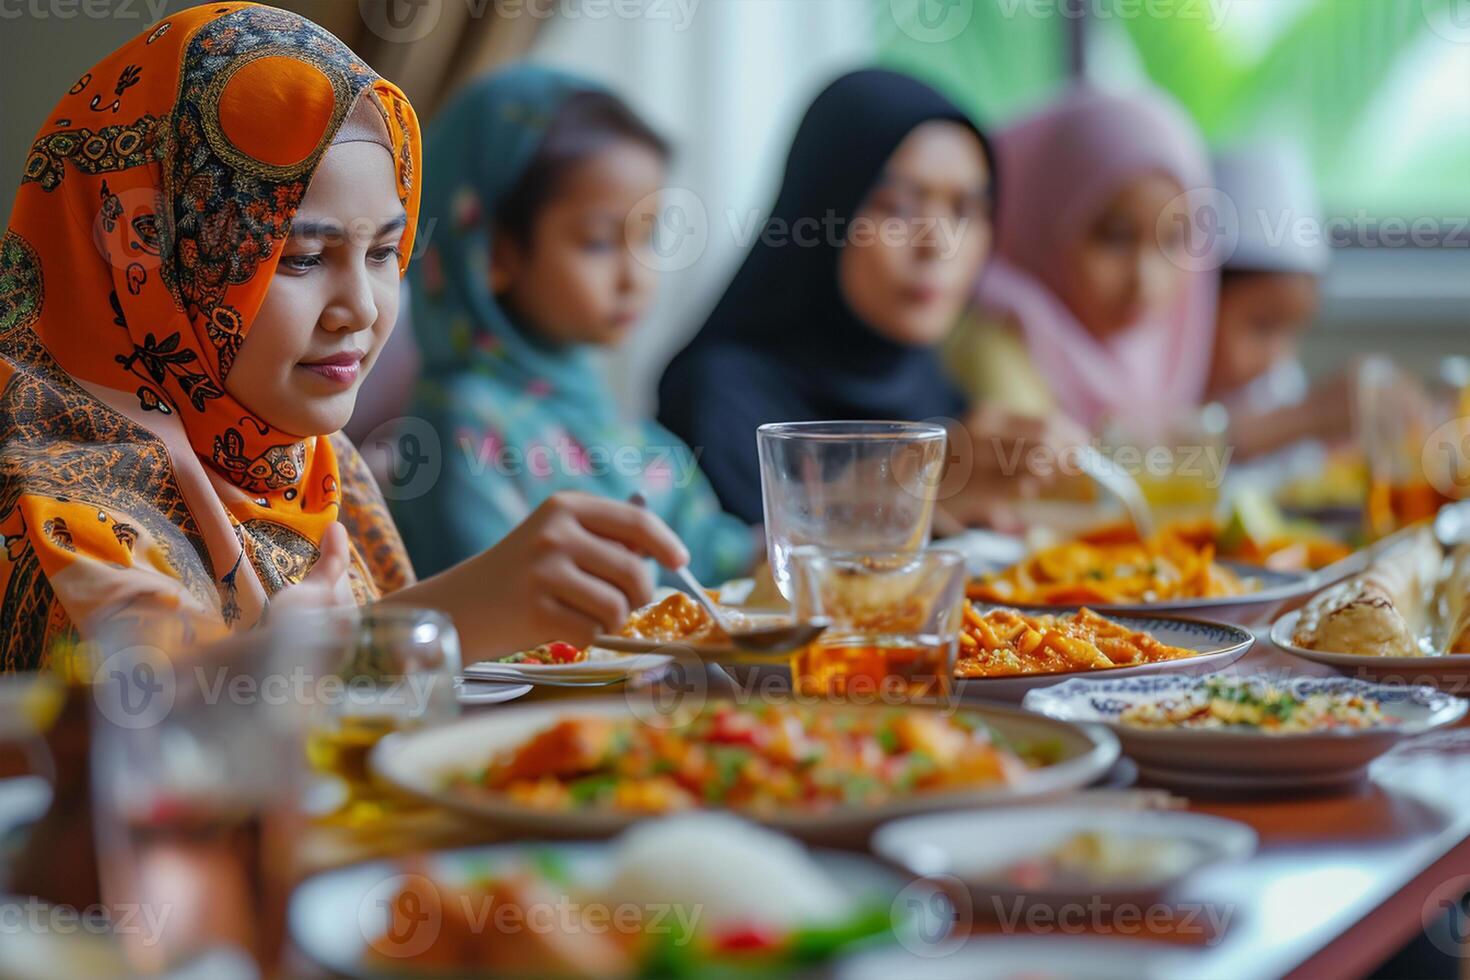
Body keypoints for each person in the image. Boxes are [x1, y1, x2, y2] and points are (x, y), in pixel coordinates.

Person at [0, 4, 686, 672]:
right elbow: (134, 738)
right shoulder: (53, 507)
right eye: (299, 257)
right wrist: (436, 620)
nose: (359, 308)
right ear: (148, 253)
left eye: (385, 252)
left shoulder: (316, 463)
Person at [391, 66, 755, 583]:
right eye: (599, 241)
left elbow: (707, 552)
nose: (636, 277)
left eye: (649, 236)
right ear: (493, 252)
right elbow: (497, 615)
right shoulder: (460, 424)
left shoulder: (602, 414)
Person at [657, 69, 998, 526]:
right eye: (897, 207)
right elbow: (757, 580)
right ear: (820, 208)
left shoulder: (932, 385)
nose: (938, 244)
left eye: (966, 210)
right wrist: (911, 491)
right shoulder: (719, 401)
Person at [944, 86, 1219, 440]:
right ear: (1043, 222)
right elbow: (1044, 478)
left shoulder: (1138, 356)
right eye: (1115, 237)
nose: (1145, 280)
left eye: (1173, 241)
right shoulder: (994, 339)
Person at [1205, 146, 1347, 460]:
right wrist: (1314, 414)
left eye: (1293, 331)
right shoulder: (1159, 392)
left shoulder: (1278, 383)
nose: (1277, 356)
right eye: (1262, 326)